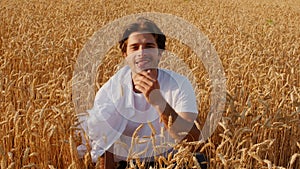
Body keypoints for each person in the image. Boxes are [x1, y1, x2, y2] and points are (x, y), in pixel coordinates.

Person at [77, 17, 204, 168]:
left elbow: (193, 141)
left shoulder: (179, 84)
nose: (141, 53)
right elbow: (105, 146)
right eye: (134, 47)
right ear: (125, 54)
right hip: (128, 164)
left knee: (200, 160)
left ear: (159, 52)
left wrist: (158, 102)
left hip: (172, 161)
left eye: (149, 46)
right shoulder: (111, 90)